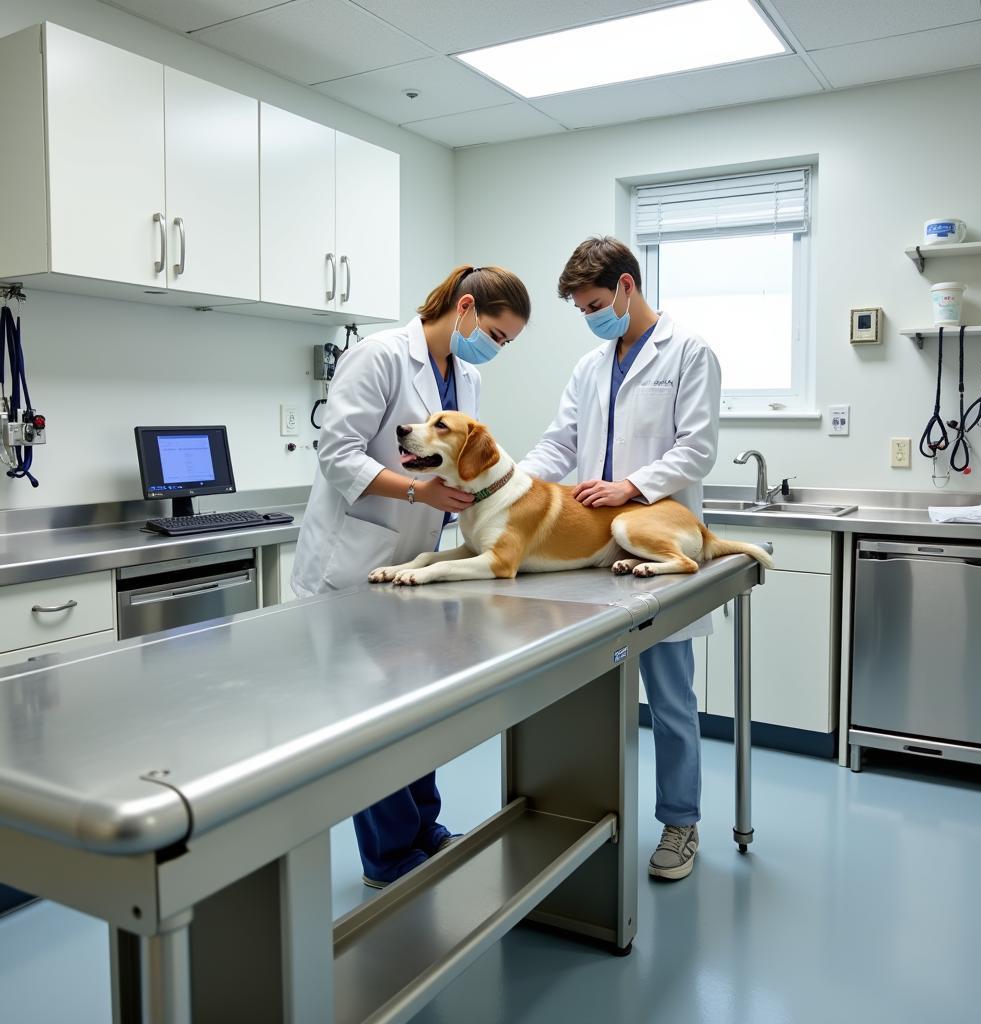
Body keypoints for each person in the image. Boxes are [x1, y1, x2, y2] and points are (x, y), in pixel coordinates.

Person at [292, 264, 531, 887]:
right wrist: (418, 494)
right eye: (498, 336)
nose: (496, 351)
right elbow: (337, 452)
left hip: (414, 561)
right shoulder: (378, 356)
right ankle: (389, 859)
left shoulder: (466, 376)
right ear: (468, 308)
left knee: (413, 707)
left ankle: (424, 827)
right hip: (352, 559)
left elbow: (452, 460)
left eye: (507, 346)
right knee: (369, 721)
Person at [518, 236, 720, 881]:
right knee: (579, 698)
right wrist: (508, 490)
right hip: (588, 554)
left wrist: (632, 487)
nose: (592, 317)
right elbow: (560, 443)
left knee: (669, 699)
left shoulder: (689, 352)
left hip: (649, 540)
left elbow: (697, 448)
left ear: (629, 287)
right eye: (583, 310)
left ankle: (680, 824)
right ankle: (578, 823)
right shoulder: (589, 366)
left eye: (598, 304)